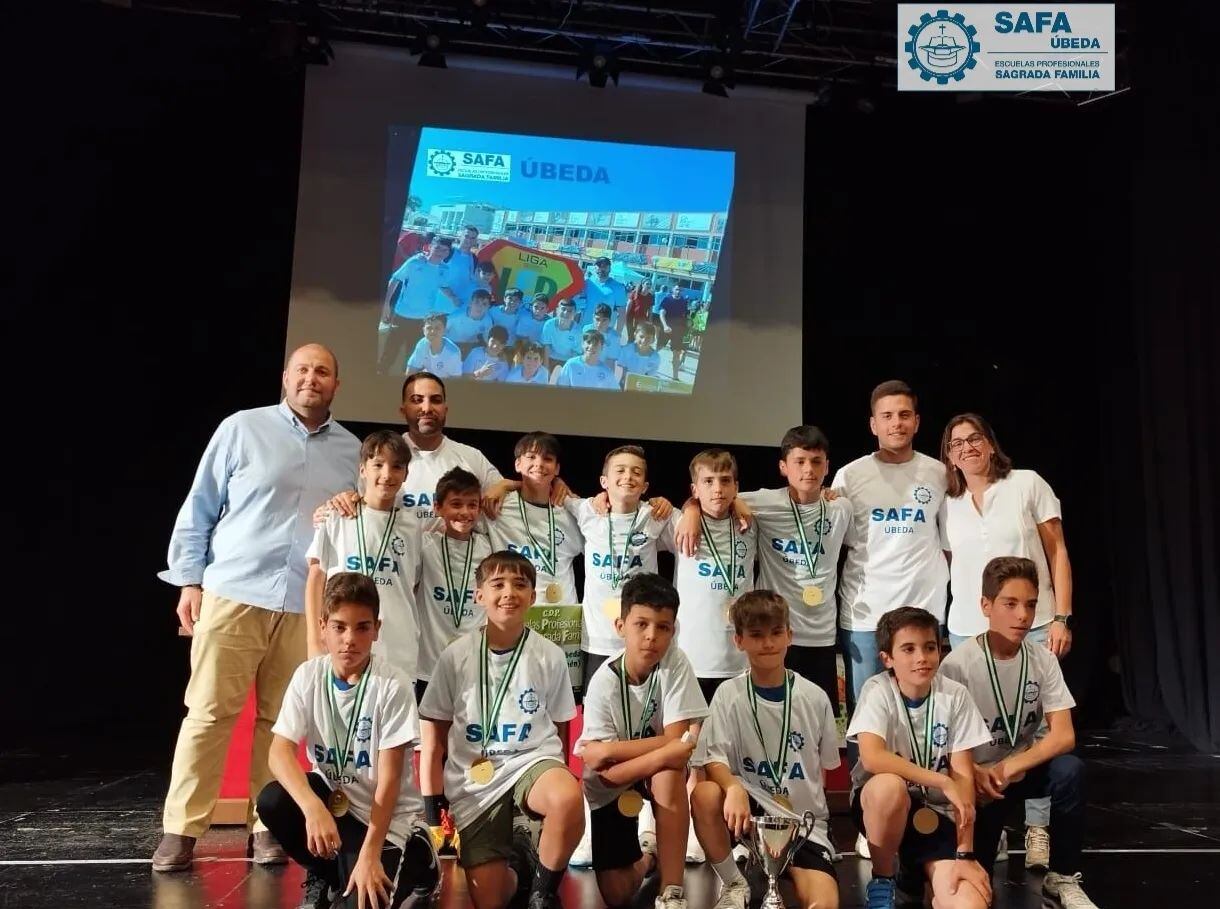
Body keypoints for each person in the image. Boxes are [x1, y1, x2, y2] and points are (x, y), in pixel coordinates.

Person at [153, 343, 361, 872]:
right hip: (234, 593)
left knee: (281, 722)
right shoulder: (241, 428)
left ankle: (268, 825)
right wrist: (189, 581)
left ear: (337, 385)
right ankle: (181, 829)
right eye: (303, 370)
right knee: (208, 714)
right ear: (285, 378)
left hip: (304, 603)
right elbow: (199, 504)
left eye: (323, 372)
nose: (312, 379)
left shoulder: (352, 451)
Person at [256, 572, 439, 909]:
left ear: (377, 629)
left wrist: (369, 855)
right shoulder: (308, 675)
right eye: (339, 627)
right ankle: (323, 871)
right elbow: (279, 752)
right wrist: (312, 808)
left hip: (381, 818)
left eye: (362, 627)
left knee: (358, 904)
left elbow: (389, 782)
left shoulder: (393, 685)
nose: (349, 639)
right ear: (323, 626)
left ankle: (418, 856)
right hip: (331, 804)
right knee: (273, 801)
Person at [941, 412, 1075, 868]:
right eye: (956, 444)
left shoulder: (1026, 483)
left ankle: (1038, 828)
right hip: (966, 625)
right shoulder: (949, 502)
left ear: (991, 443)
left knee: (1034, 727)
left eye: (974, 439)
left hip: (1031, 620)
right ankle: (989, 819)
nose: (966, 448)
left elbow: (1057, 551)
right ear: (949, 456)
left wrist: (1060, 616)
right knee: (976, 731)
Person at [419, 551, 584, 909]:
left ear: (533, 596)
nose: (509, 592)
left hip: (530, 763)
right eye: (497, 584)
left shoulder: (550, 654)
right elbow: (433, 739)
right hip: (475, 783)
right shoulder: (455, 656)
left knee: (567, 798)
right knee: (492, 899)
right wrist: (433, 815)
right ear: (479, 596)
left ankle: (542, 892)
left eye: (520, 585)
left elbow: (560, 727)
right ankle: (523, 863)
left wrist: (563, 778)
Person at [939, 557, 1097, 909]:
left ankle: (1063, 876)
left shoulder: (1042, 660)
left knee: (1070, 770)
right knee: (975, 888)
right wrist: (979, 774)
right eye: (1010, 604)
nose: (1023, 616)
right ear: (985, 606)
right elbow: (942, 744)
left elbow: (1063, 736)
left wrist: (1010, 767)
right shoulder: (957, 667)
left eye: (1029, 605)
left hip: (1015, 770)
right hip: (979, 781)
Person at [691, 590, 842, 909]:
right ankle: (734, 881)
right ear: (739, 641)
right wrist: (733, 787)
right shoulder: (727, 695)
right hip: (747, 819)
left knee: (825, 903)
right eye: (756, 635)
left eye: (776, 633)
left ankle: (779, 875)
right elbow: (713, 759)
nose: (768, 643)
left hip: (801, 824)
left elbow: (826, 766)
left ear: (790, 635)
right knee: (705, 794)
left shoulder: (814, 697)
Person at [846, 607, 992, 909]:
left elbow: (962, 776)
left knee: (970, 905)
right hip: (884, 810)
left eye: (929, 647)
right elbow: (872, 758)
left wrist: (965, 853)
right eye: (908, 649)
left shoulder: (956, 696)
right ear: (887, 659)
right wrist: (939, 778)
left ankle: (914, 877)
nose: (921, 657)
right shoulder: (877, 690)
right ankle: (883, 879)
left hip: (936, 813)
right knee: (889, 786)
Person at [578, 573, 707, 909]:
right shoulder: (603, 683)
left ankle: (672, 889)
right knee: (617, 894)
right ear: (621, 626)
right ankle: (651, 855)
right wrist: (667, 745)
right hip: (613, 785)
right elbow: (605, 774)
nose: (652, 636)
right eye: (642, 624)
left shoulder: (676, 664)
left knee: (667, 773)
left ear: (673, 630)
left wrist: (609, 749)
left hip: (649, 772)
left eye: (663, 627)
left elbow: (679, 751)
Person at [832, 380, 949, 714]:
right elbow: (833, 544)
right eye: (887, 416)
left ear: (916, 421)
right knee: (866, 715)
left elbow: (949, 544)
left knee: (924, 714)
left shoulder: (938, 473)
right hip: (867, 613)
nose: (896, 423)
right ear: (874, 424)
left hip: (924, 610)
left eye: (904, 414)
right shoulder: (850, 476)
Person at [738, 426, 852, 706]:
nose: (808, 470)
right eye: (799, 462)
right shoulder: (765, 502)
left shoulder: (841, 508)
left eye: (816, 462)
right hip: (775, 630)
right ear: (783, 467)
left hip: (821, 632)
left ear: (827, 467)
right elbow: (714, 497)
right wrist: (692, 508)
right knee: (770, 711)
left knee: (816, 714)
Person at [306, 430, 422, 687]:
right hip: (344, 643)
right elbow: (316, 576)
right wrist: (315, 641)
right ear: (362, 470)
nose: (387, 474)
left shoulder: (412, 526)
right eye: (378, 464)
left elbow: (412, 584)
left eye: (396, 467)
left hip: (397, 645)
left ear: (406, 474)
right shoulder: (337, 515)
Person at [672, 449, 758, 704]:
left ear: (736, 487)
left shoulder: (751, 524)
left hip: (740, 659)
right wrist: (690, 510)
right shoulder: (679, 524)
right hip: (693, 659)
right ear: (694, 489)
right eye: (708, 482)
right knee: (692, 739)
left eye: (725, 480)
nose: (717, 489)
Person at [414, 468, 491, 705]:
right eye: (456, 504)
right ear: (438, 508)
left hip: (474, 662)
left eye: (472, 505)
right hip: (429, 665)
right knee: (428, 738)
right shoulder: (426, 545)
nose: (465, 512)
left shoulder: (487, 548)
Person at [482, 432, 584, 606]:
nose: (539, 464)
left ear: (557, 469)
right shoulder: (499, 506)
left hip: (562, 618)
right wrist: (504, 484)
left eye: (547, 459)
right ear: (518, 464)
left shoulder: (572, 510)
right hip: (512, 611)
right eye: (531, 457)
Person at [379, 235, 456, 374]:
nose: (440, 252)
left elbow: (442, 286)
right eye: (437, 248)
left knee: (412, 357)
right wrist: (386, 304)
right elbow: (395, 280)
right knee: (390, 352)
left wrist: (453, 297)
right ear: (430, 246)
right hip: (402, 316)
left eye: (444, 250)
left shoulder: (445, 269)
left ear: (447, 253)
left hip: (423, 321)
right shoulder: (415, 262)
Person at [555, 330, 620, 389]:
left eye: (595, 344)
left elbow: (614, 396)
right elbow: (560, 388)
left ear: (602, 348)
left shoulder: (606, 371)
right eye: (588, 342)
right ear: (582, 344)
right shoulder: (571, 364)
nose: (591, 346)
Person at [406, 313, 463, 378]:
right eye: (429, 328)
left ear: (444, 331)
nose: (432, 331)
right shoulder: (422, 344)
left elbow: (455, 382)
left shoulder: (453, 353)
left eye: (437, 328)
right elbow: (411, 371)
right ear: (423, 330)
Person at [655, 285, 689, 380]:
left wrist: (687, 326)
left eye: (680, 290)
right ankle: (647, 368)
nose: (678, 291)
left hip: (678, 331)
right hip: (666, 329)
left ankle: (675, 377)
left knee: (677, 354)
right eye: (677, 289)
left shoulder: (683, 301)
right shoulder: (667, 299)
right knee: (657, 348)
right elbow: (662, 314)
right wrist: (665, 326)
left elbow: (685, 316)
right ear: (673, 290)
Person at [446, 289, 496, 354]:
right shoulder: (456, 316)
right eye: (477, 302)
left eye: (484, 304)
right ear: (470, 303)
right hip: (450, 345)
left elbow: (486, 339)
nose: (480, 306)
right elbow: (441, 331)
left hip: (469, 348)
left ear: (488, 307)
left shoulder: (488, 321)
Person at [584, 256, 628, 326]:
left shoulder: (618, 288)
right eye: (599, 266)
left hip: (605, 332)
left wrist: (618, 333)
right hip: (585, 328)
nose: (602, 269)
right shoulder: (587, 283)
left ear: (610, 269)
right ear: (595, 268)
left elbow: (622, 313)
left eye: (605, 266)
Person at [541, 297, 583, 369]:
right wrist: (545, 369)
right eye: (563, 309)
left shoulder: (578, 331)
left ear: (575, 313)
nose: (566, 313)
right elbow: (546, 347)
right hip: (550, 358)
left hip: (567, 361)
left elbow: (576, 354)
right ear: (557, 310)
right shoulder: (549, 325)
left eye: (570, 311)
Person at [584, 303, 623, 370]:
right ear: (593, 317)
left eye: (604, 320)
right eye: (597, 319)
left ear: (610, 320)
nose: (600, 324)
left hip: (602, 369)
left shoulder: (614, 337)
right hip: (586, 366)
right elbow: (581, 354)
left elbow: (611, 362)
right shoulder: (586, 330)